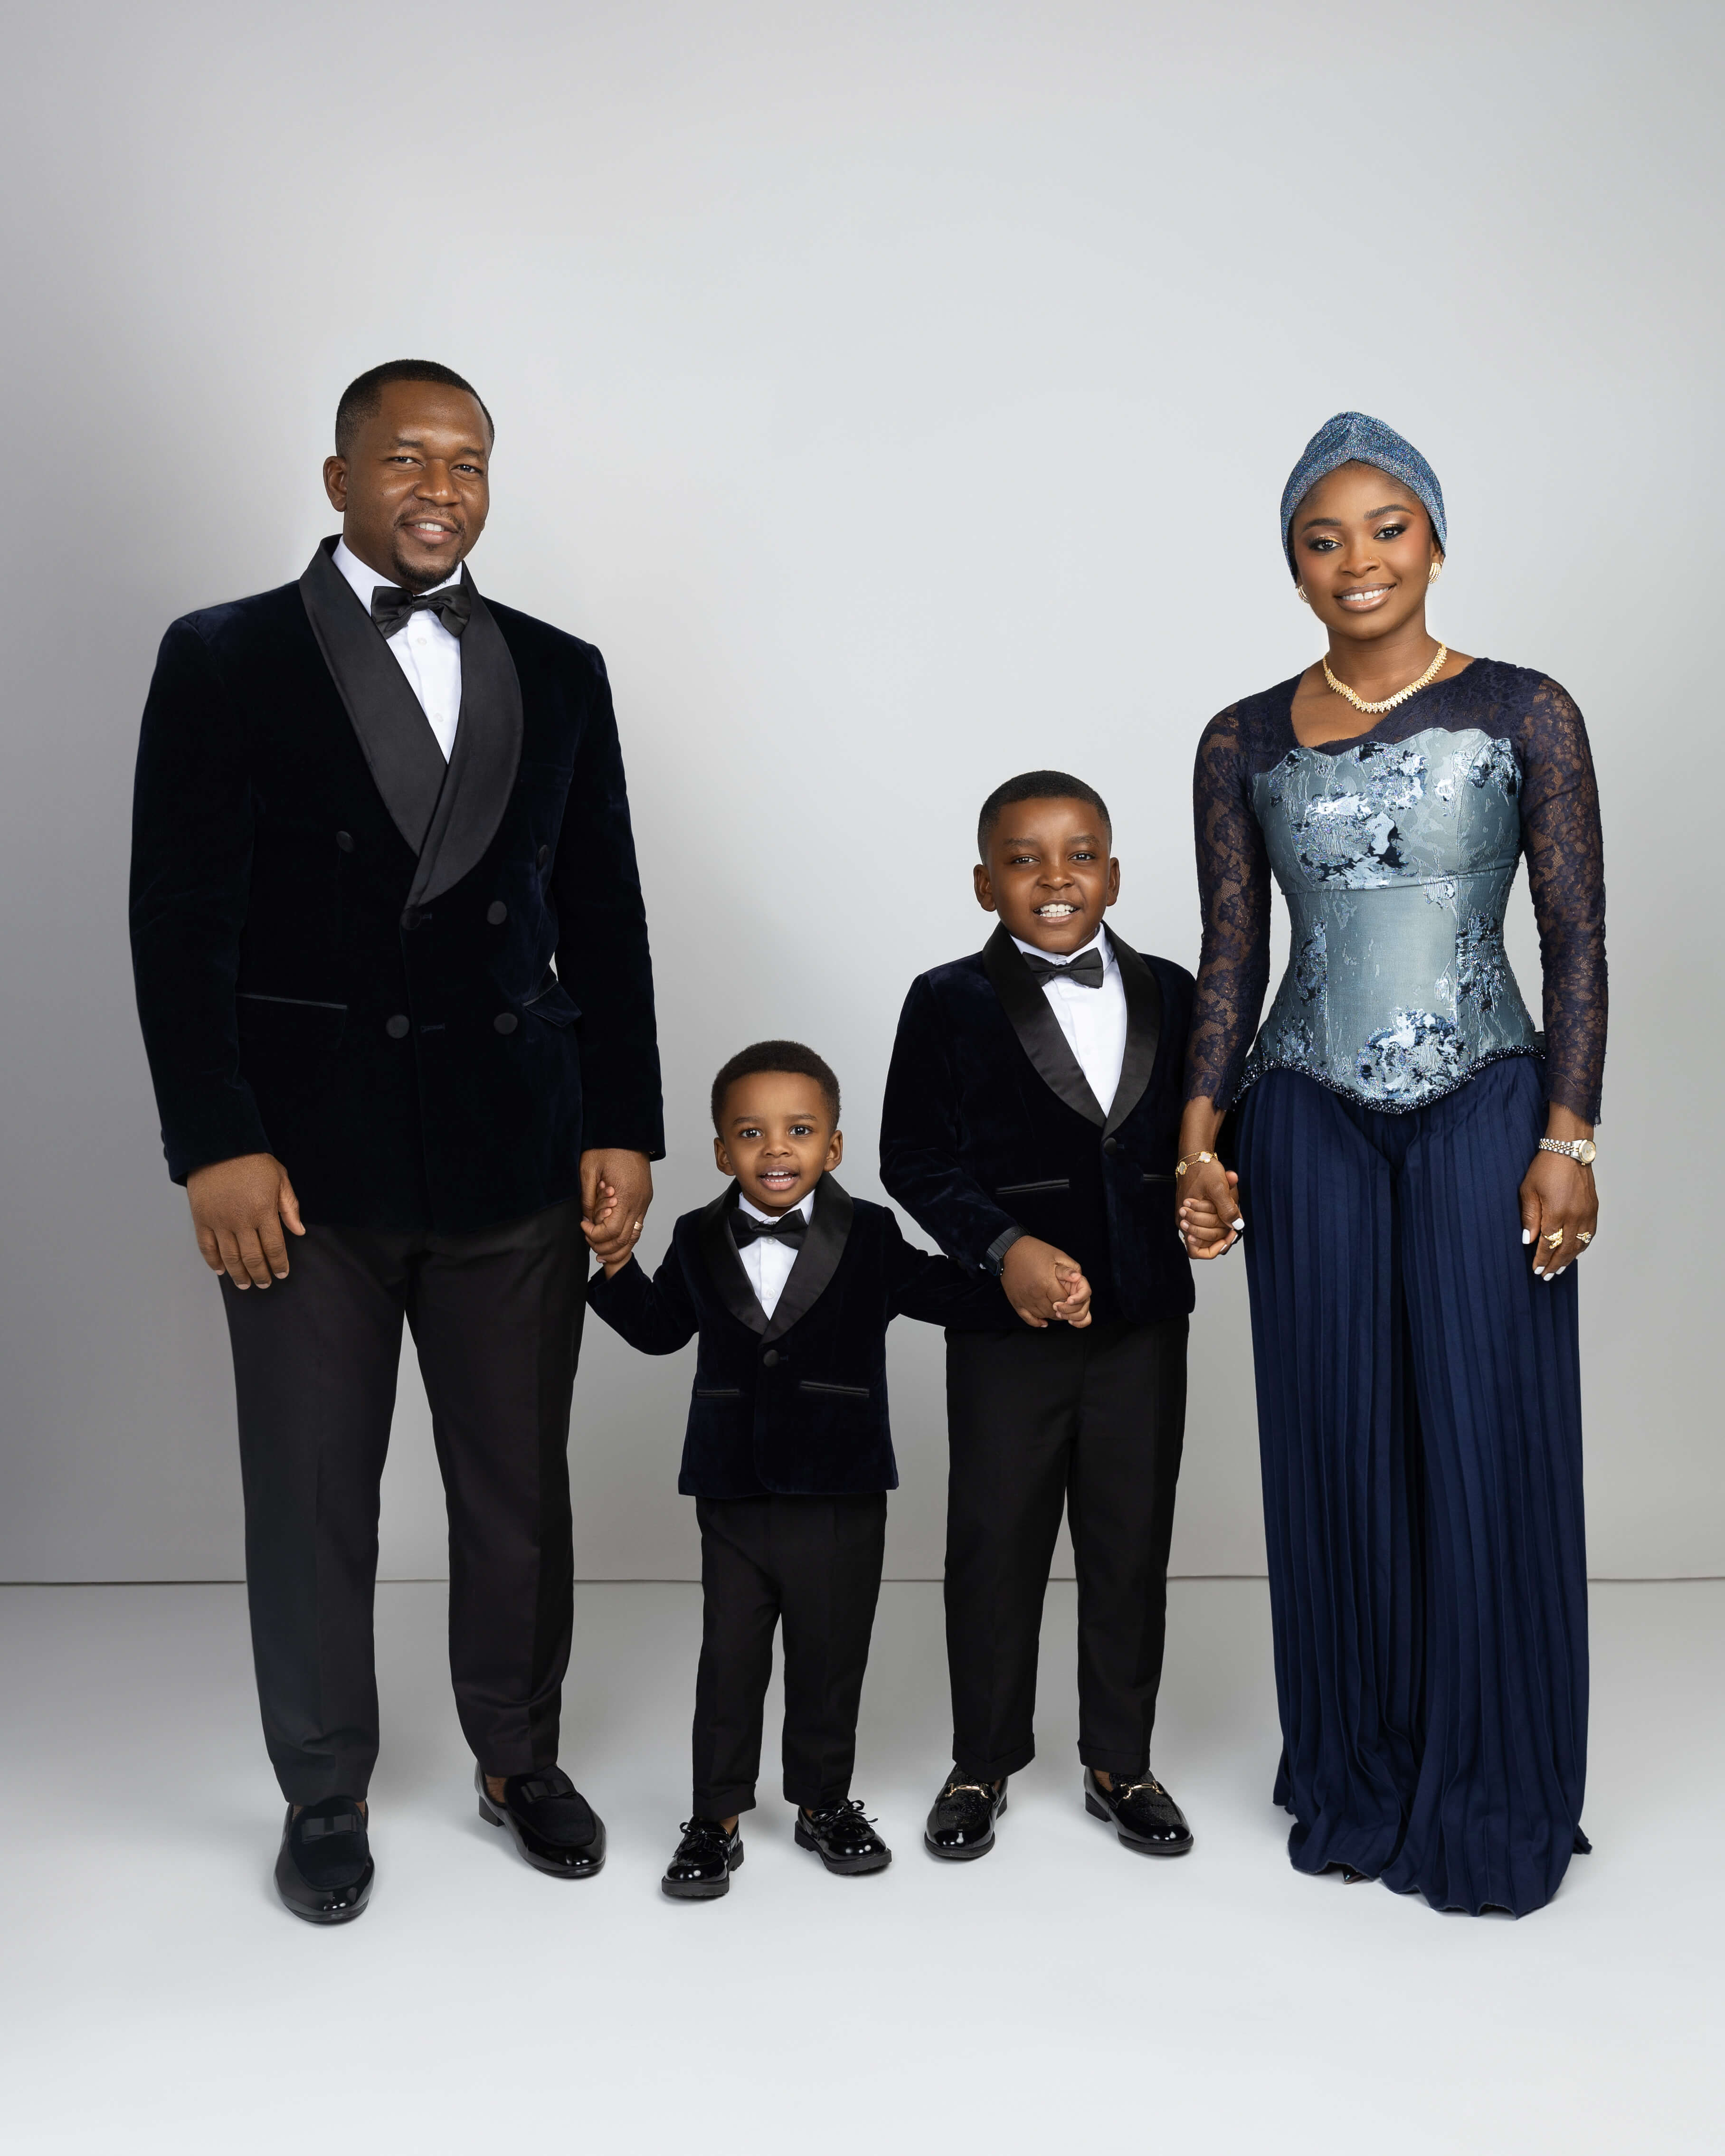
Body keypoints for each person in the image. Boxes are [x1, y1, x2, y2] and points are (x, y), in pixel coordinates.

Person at [129, 360, 663, 1923]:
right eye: (407, 458)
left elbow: (603, 914)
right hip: (304, 1168)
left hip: (516, 1144)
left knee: (519, 1492)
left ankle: (518, 1758)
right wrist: (213, 1141)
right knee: (312, 1495)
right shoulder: (224, 656)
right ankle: (323, 1789)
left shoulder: (560, 668)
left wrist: (623, 1121)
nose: (442, 487)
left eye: (469, 461)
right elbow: (178, 921)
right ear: (338, 478)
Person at [1177, 411, 1605, 1917]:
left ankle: (1492, 1781)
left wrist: (1569, 1134)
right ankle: (1359, 1763)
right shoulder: (1240, 736)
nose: (1358, 559)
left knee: (1484, 1436)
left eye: (1387, 527)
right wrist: (1200, 1135)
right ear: (1293, 565)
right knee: (1333, 1439)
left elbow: (1577, 938)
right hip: (1302, 1106)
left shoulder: (1526, 708)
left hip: (1487, 1093)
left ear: (1433, 539)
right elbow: (1234, 953)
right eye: (1323, 537)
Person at [586, 1042, 1029, 1897]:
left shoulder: (871, 1232)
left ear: (834, 1146)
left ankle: (824, 1802)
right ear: (723, 1151)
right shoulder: (695, 1233)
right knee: (730, 1662)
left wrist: (1023, 1276)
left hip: (840, 1488)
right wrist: (613, 1265)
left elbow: (945, 1293)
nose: (776, 1149)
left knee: (830, 1658)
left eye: (799, 1130)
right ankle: (714, 1820)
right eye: (751, 1133)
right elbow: (660, 1329)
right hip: (732, 1489)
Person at [880, 775, 1196, 1863]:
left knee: (1129, 1545)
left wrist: (1221, 1190)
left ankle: (1122, 1759)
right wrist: (1002, 1245)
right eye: (1024, 859)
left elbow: (1208, 1136)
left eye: (1080, 854)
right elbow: (913, 1154)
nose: (1055, 877)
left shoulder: (1174, 990)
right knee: (994, 1544)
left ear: (1113, 873)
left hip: (1143, 1322)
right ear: (985, 882)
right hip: (1007, 1332)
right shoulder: (945, 999)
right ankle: (981, 1760)